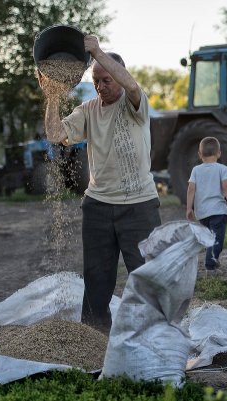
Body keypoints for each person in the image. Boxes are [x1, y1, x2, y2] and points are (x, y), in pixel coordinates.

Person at [38, 35, 161, 334]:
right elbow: (56, 134)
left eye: (106, 79)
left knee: (147, 276)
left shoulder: (135, 104)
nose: (100, 86)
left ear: (118, 75)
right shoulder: (88, 109)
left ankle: (156, 337)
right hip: (98, 207)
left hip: (139, 205)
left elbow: (131, 85)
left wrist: (96, 51)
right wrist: (52, 97)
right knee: (96, 280)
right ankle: (94, 341)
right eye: (96, 80)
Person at [186, 137, 227, 272]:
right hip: (218, 211)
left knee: (210, 239)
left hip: (202, 213)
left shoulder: (196, 170)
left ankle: (212, 260)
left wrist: (189, 208)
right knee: (217, 239)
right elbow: (225, 187)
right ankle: (210, 263)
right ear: (219, 153)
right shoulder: (222, 169)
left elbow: (191, 189)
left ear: (200, 154)